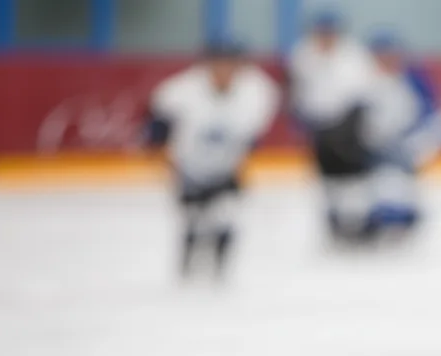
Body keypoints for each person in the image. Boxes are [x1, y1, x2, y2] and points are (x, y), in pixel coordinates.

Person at [145, 38, 279, 280]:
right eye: (218, 63)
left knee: (226, 217)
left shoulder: (255, 92)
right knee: (193, 220)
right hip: (190, 167)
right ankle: (187, 266)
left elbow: (254, 133)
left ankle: (220, 271)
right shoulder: (183, 89)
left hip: (227, 168)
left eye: (230, 64)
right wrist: (159, 149)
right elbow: (157, 121)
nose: (224, 70)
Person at [355, 30, 441, 237]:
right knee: (381, 182)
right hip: (374, 149)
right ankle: (379, 217)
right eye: (381, 55)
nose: (387, 59)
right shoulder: (363, 82)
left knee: (400, 183)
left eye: (391, 54)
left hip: (407, 145)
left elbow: (432, 112)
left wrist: (421, 139)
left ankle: (403, 217)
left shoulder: (413, 80)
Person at [286, 9, 377, 242]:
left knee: (354, 179)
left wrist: (349, 126)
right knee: (328, 180)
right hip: (319, 128)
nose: (326, 37)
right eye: (322, 32)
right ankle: (334, 225)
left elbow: (361, 95)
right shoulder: (302, 54)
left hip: (349, 127)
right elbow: (298, 92)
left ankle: (358, 225)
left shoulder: (354, 55)